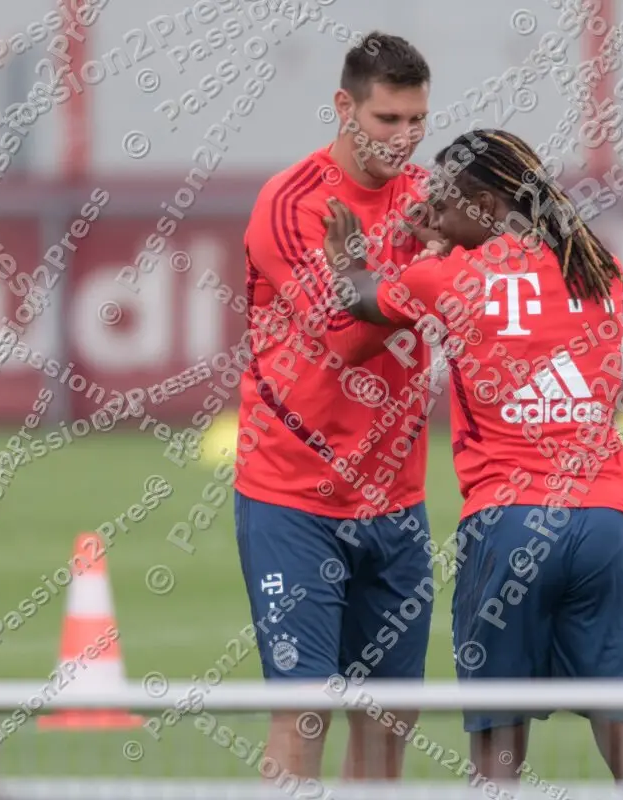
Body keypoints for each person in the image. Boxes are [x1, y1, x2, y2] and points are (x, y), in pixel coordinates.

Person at [322, 128, 623, 784]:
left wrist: (350, 260)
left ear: (481, 200)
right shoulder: (600, 267)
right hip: (601, 522)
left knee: (498, 771)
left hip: (506, 525)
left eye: (447, 204)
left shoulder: (450, 276)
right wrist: (447, 237)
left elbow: (359, 298)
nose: (439, 217)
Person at [235, 31, 443, 782]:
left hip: (396, 499)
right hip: (294, 497)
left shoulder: (430, 199)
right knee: (304, 710)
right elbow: (338, 336)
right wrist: (422, 275)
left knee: (389, 719)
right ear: (344, 107)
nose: (405, 136)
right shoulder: (291, 202)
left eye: (417, 119)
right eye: (387, 119)